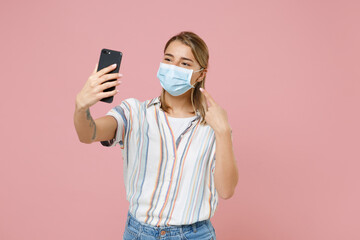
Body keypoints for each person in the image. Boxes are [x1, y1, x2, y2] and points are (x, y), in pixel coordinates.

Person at [74, 31, 238, 240]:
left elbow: (226, 191)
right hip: (138, 233)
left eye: (185, 64)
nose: (173, 68)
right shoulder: (135, 113)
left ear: (201, 74)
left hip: (194, 235)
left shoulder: (214, 126)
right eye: (168, 59)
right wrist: (81, 107)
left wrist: (223, 132)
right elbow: (89, 134)